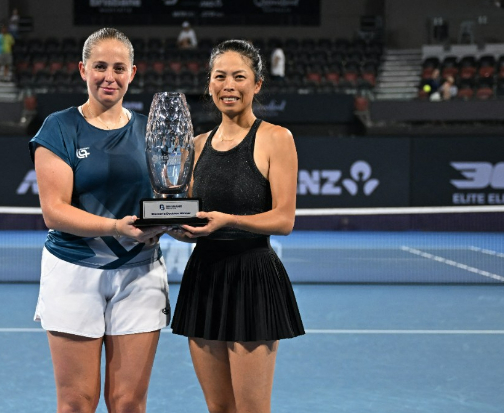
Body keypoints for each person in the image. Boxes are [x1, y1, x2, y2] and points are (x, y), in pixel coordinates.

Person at [28, 27, 169, 413]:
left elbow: (164, 200)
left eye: (119, 68)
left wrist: (174, 221)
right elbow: (54, 211)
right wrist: (115, 227)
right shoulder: (58, 128)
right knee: (77, 402)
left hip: (140, 273)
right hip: (73, 271)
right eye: (100, 66)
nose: (110, 76)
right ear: (83, 70)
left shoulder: (151, 130)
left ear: (132, 73)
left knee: (128, 402)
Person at [168, 39, 304, 413]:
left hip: (253, 279)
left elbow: (284, 219)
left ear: (257, 84)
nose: (229, 85)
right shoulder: (196, 145)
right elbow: (191, 217)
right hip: (204, 278)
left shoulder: (277, 138)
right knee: (219, 408)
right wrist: (173, 227)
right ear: (209, 83)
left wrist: (229, 221)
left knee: (252, 409)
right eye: (220, 76)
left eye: (239, 76)